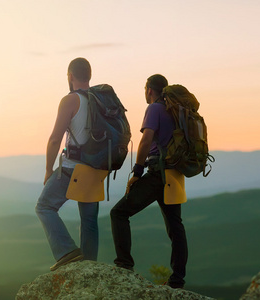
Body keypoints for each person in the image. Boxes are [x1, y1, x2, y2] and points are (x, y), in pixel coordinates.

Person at [110, 74, 188, 289]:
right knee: (175, 227)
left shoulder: (154, 109)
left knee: (118, 213)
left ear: (149, 89)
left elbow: (146, 139)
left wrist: (137, 171)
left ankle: (124, 264)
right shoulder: (176, 109)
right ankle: (177, 280)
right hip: (174, 174)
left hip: (157, 173)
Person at [35, 57, 99, 271]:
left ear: (70, 76)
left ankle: (66, 251)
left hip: (73, 168)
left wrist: (48, 170)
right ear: (89, 75)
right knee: (89, 220)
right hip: (97, 168)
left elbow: (55, 139)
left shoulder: (71, 100)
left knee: (44, 207)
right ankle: (89, 267)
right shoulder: (100, 99)